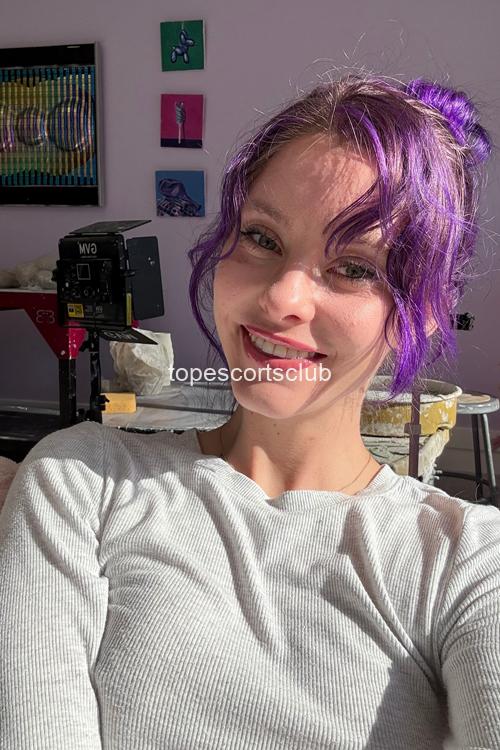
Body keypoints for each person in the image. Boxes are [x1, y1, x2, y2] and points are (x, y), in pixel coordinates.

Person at [1, 73, 499, 749]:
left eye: (356, 267)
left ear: (426, 311)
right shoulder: (83, 484)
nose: (282, 298)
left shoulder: (466, 563)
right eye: (263, 237)